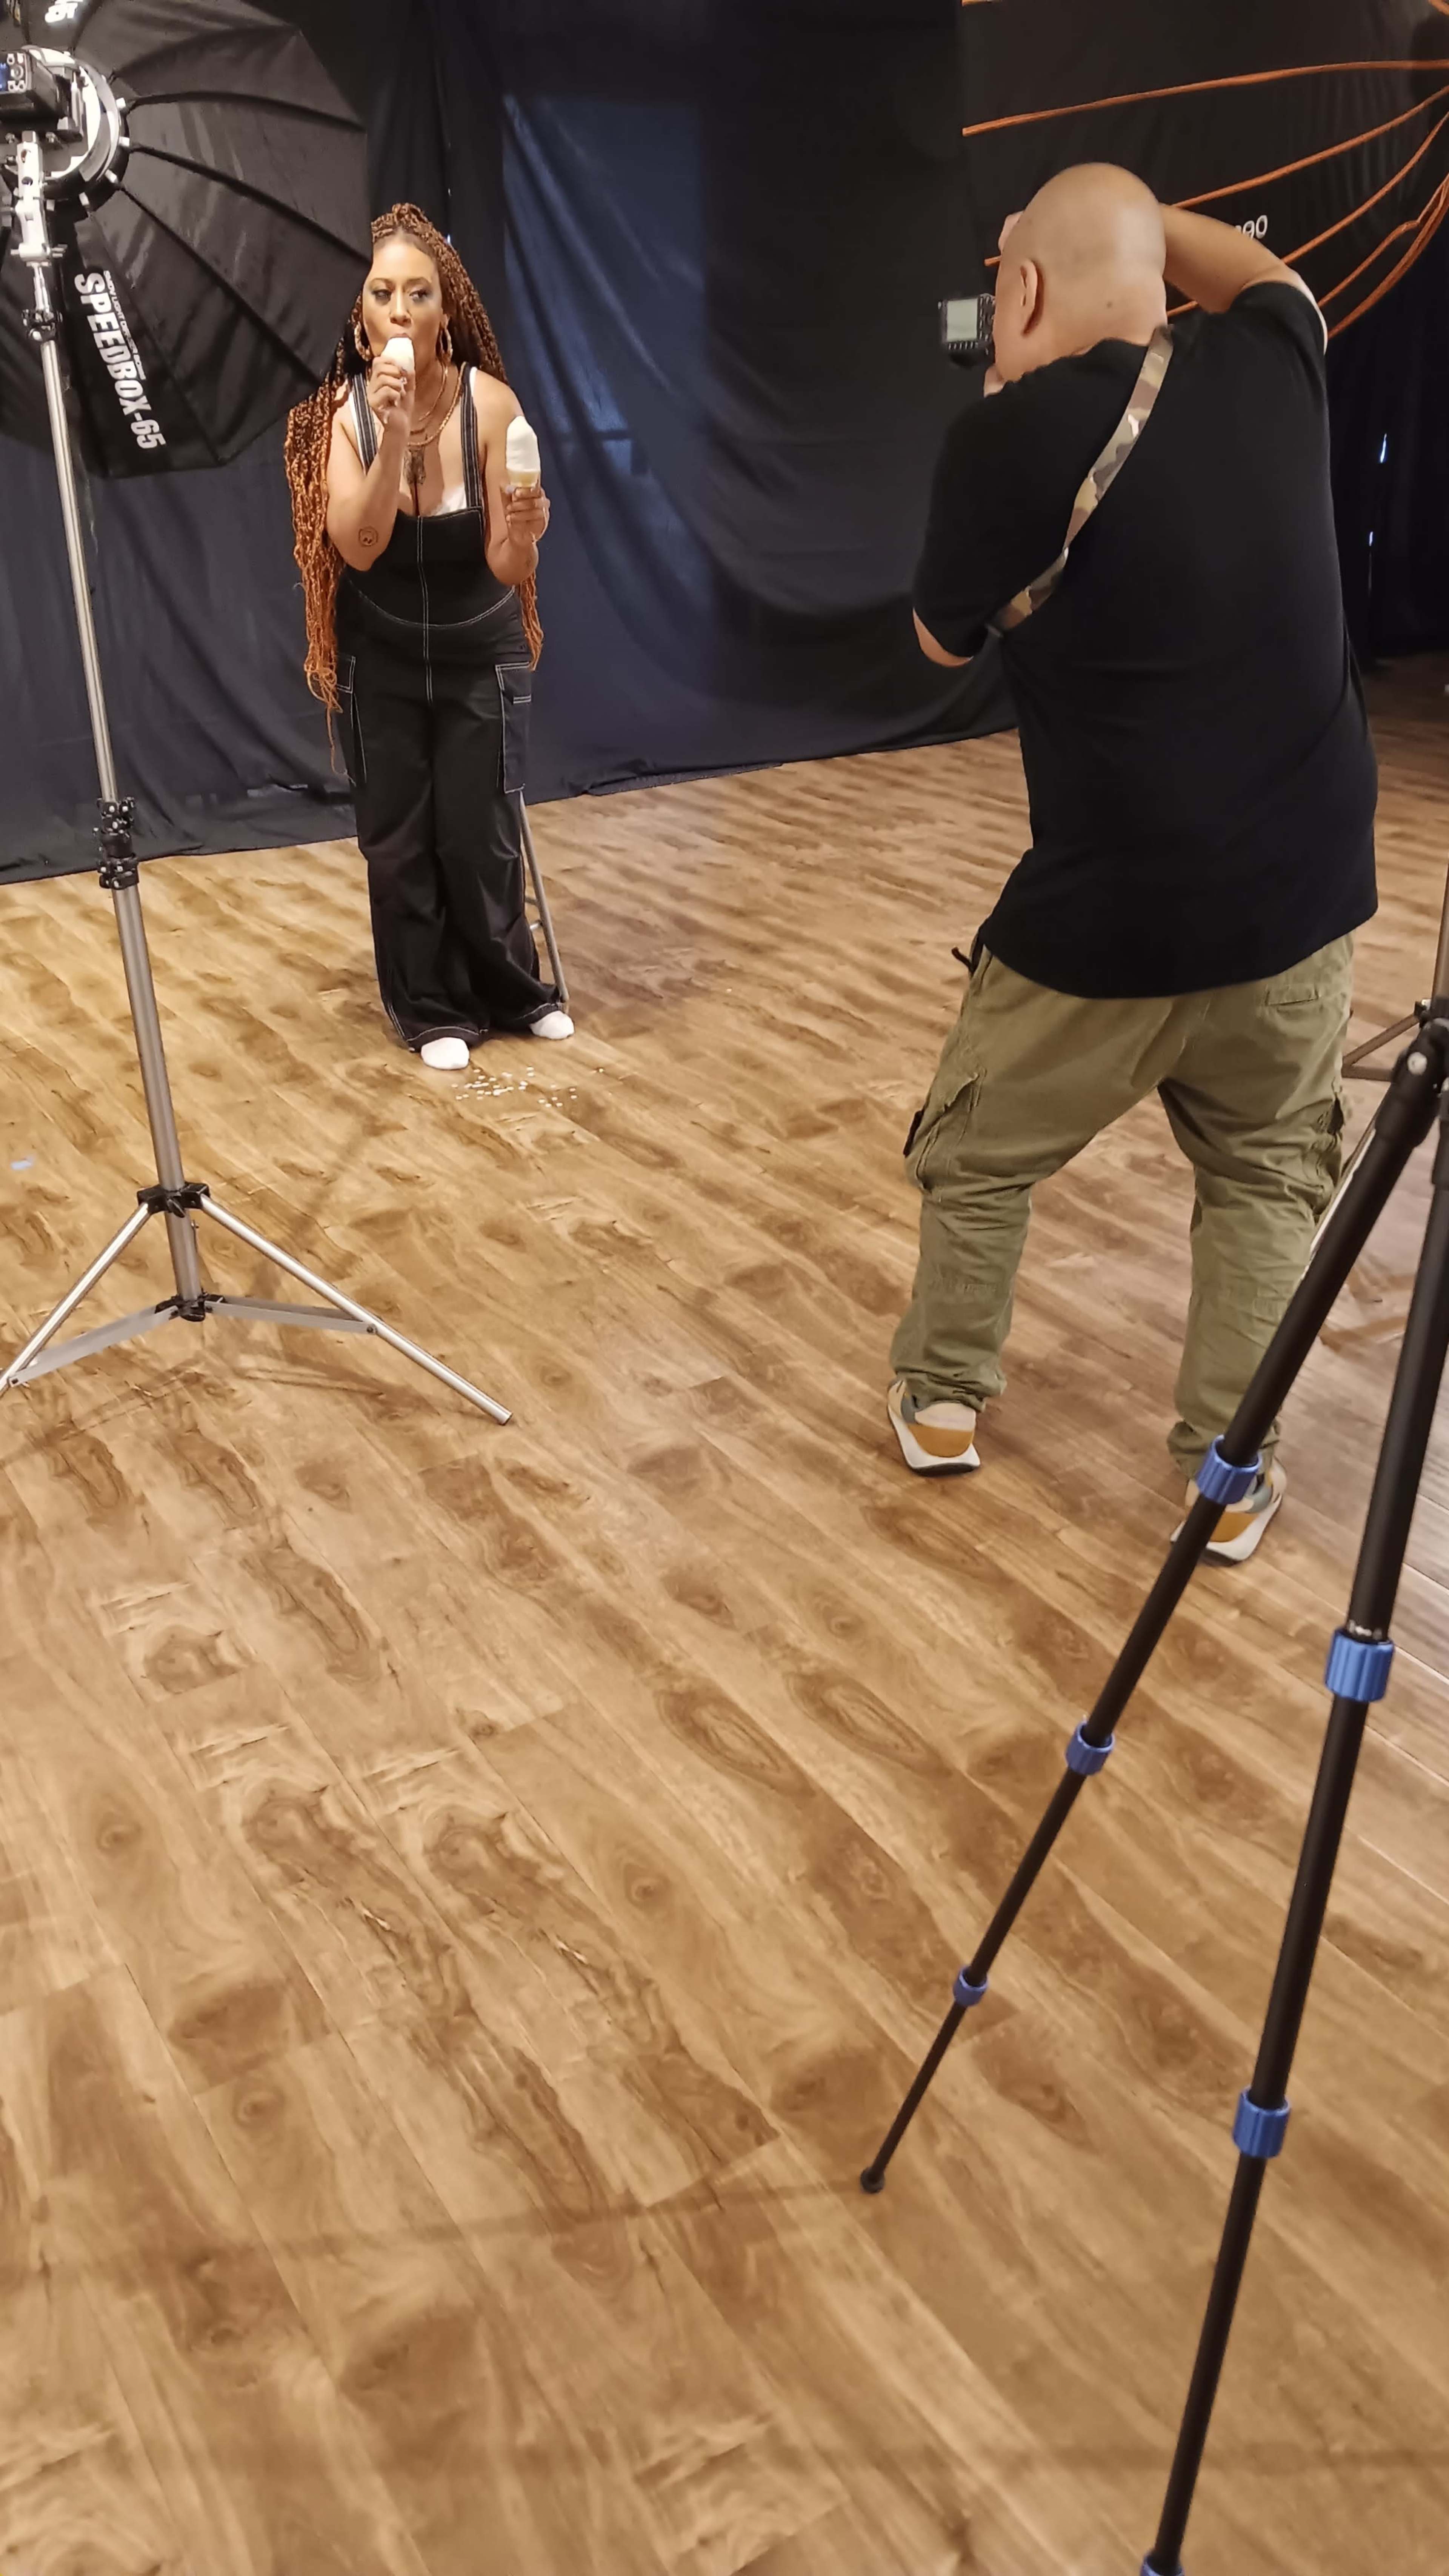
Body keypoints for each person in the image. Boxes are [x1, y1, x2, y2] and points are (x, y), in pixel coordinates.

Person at [889, 165, 1377, 1564]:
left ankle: (940, 1403)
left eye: (1001, 289)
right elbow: (1269, 277)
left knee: (977, 1155)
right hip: (1303, 898)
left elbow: (942, 644)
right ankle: (1231, 1475)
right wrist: (1127, 221)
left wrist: (1056, 261)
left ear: (1023, 287)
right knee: (1269, 1176)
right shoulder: (1279, 360)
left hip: (1111, 920)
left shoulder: (1008, 437)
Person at [285, 203, 572, 1072]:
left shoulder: (492, 405)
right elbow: (360, 546)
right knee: (401, 840)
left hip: (480, 646)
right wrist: (392, 438)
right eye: (383, 293)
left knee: (478, 834)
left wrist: (526, 529)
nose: (403, 309)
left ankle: (516, 991)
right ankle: (430, 1006)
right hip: (383, 656)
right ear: (362, 318)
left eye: (420, 292)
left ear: (448, 309)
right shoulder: (340, 415)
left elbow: (505, 562)